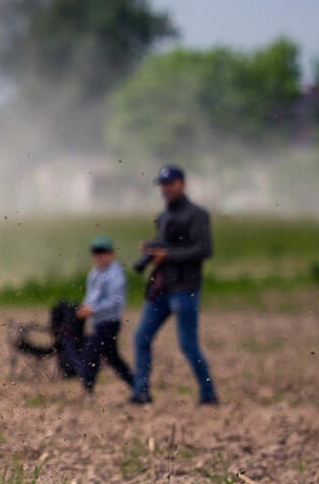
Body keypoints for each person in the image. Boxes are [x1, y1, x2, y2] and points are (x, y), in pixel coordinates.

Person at [130, 164, 218, 406]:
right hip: (162, 288)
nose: (166, 189)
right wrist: (153, 250)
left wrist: (167, 255)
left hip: (185, 289)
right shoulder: (164, 217)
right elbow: (166, 244)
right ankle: (141, 392)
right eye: (163, 185)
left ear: (182, 184)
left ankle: (208, 394)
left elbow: (204, 249)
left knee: (188, 344)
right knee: (141, 338)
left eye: (170, 184)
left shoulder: (197, 215)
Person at [76, 235, 132, 394]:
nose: (100, 256)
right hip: (97, 322)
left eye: (103, 252)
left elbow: (116, 301)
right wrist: (84, 308)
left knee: (91, 353)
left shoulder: (116, 274)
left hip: (110, 322)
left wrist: (92, 310)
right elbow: (90, 297)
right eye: (97, 253)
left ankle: (86, 388)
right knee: (112, 358)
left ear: (112, 254)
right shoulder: (94, 273)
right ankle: (136, 384)